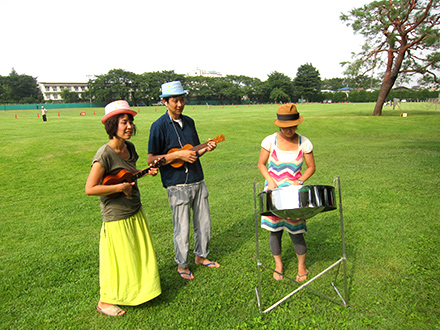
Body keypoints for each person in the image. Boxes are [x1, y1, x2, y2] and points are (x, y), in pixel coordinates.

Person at [85, 100, 161, 316]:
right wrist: (121, 187)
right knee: (118, 260)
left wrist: (146, 171)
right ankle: (105, 301)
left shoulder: (130, 148)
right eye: (123, 122)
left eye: (130, 122)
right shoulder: (104, 154)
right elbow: (90, 188)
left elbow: (129, 172)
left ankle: (139, 291)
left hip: (134, 208)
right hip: (116, 215)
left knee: (136, 255)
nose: (129, 126)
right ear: (112, 126)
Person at [147, 81, 220, 280]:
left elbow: (193, 152)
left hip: (197, 180)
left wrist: (205, 148)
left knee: (204, 223)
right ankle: (182, 264)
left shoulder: (189, 122)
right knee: (182, 227)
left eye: (181, 100)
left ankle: (201, 256)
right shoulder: (158, 126)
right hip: (176, 184)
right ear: (165, 102)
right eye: (174, 100)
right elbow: (151, 160)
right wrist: (178, 156)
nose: (179, 104)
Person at [258, 103, 316, 282]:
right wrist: (270, 181)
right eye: (284, 127)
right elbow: (261, 164)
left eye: (291, 126)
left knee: (296, 230)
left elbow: (311, 167)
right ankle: (278, 265)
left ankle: (301, 266)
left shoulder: (304, 142)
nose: (288, 130)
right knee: (275, 231)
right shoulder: (270, 141)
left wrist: (299, 181)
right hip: (273, 192)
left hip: (294, 195)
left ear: (297, 124)